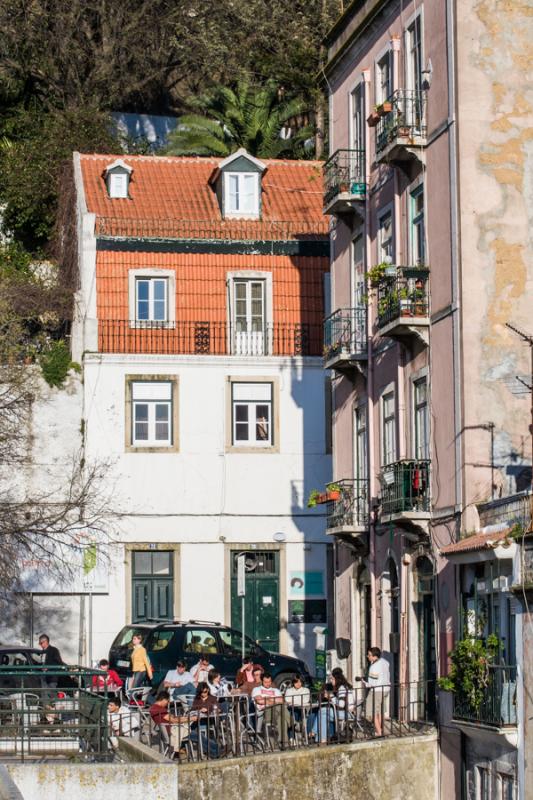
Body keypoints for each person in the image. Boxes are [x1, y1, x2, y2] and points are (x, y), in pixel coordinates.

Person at [251, 672, 289, 748]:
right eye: (266, 682)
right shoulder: (256, 689)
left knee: (282, 719)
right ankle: (291, 722)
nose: (268, 684)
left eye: (269, 682)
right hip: (265, 712)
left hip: (277, 711)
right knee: (281, 707)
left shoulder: (276, 690)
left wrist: (267, 699)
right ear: (262, 681)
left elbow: (282, 700)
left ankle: (284, 743)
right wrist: (274, 700)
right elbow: (259, 701)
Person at [363, 647, 390, 737]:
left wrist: (364, 682)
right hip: (385, 689)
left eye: (369, 655)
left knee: (372, 711)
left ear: (374, 656)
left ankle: (379, 732)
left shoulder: (373, 667)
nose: (368, 656)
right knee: (380, 711)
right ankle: (381, 729)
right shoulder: (385, 662)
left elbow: (371, 683)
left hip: (377, 690)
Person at [38, 634, 64, 704]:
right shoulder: (42, 652)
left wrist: (48, 667)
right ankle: (47, 710)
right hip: (44, 676)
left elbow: (59, 663)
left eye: (41, 643)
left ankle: (54, 709)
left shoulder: (54, 650)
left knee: (52, 694)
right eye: (39, 643)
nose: (40, 645)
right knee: (45, 694)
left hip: (52, 676)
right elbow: (42, 663)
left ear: (46, 641)